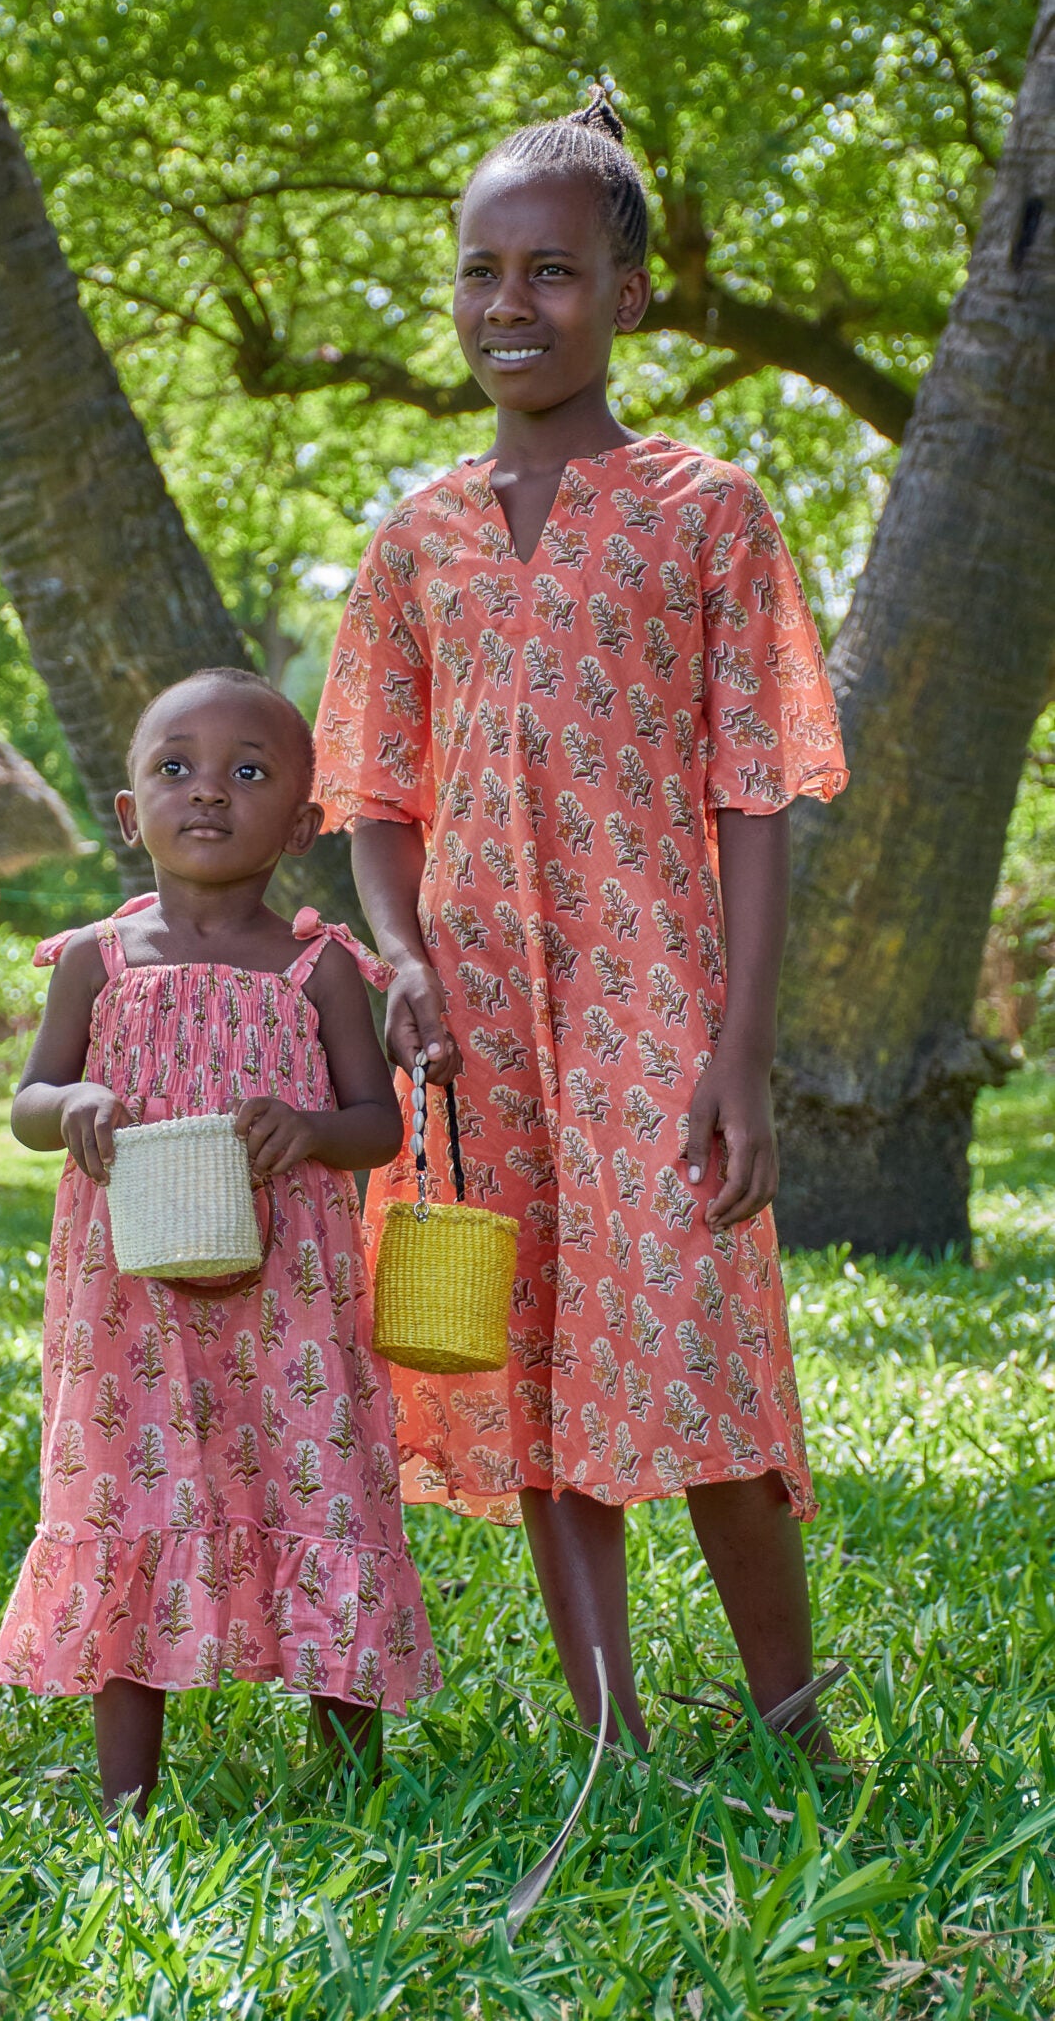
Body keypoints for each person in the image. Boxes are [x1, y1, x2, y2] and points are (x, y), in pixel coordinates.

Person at [313, 87, 849, 1753]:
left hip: (657, 1001)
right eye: (480, 273)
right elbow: (372, 795)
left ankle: (792, 1716)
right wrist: (401, 958)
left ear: (628, 295)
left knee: (702, 1347)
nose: (506, 308)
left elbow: (756, 788)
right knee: (528, 1354)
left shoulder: (710, 512)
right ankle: (607, 1728)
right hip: (472, 1026)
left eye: (549, 273)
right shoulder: (414, 542)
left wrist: (741, 1047)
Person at [0, 668, 439, 1815]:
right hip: (128, 1300)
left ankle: (349, 1782)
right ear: (128, 811)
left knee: (320, 1483)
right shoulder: (98, 957)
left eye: (248, 772)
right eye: (174, 767)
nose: (208, 792)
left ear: (299, 822)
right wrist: (74, 1102)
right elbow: (28, 1101)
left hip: (290, 1297)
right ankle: (127, 1794)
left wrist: (309, 1129)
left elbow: (376, 1123)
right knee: (130, 1496)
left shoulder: (321, 965)